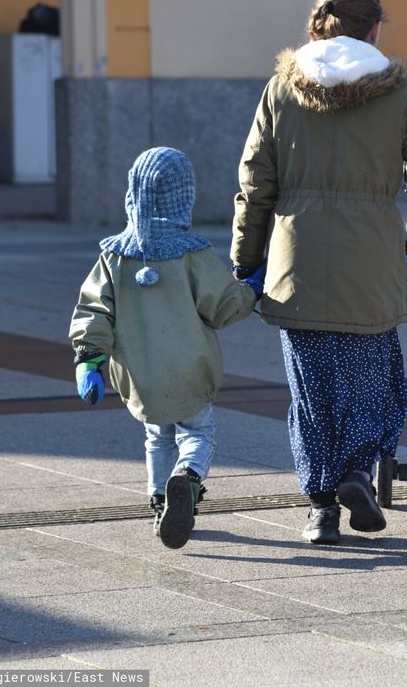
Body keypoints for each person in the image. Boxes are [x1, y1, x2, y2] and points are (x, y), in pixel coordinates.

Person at [231, 0, 407, 545]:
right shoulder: (397, 93)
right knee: (375, 383)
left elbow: (254, 184)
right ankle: (356, 471)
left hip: (295, 267)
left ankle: (321, 510)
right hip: (370, 266)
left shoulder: (281, 90)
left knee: (312, 392)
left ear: (320, 20)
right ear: (374, 27)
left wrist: (246, 261)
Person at [69, 147, 266, 550]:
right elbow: (222, 307)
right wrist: (251, 288)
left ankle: (160, 500)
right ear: (183, 195)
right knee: (198, 434)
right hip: (189, 370)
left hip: (140, 376)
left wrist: (89, 360)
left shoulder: (113, 255)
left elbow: (94, 309)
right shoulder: (192, 254)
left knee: (156, 436)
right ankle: (189, 480)